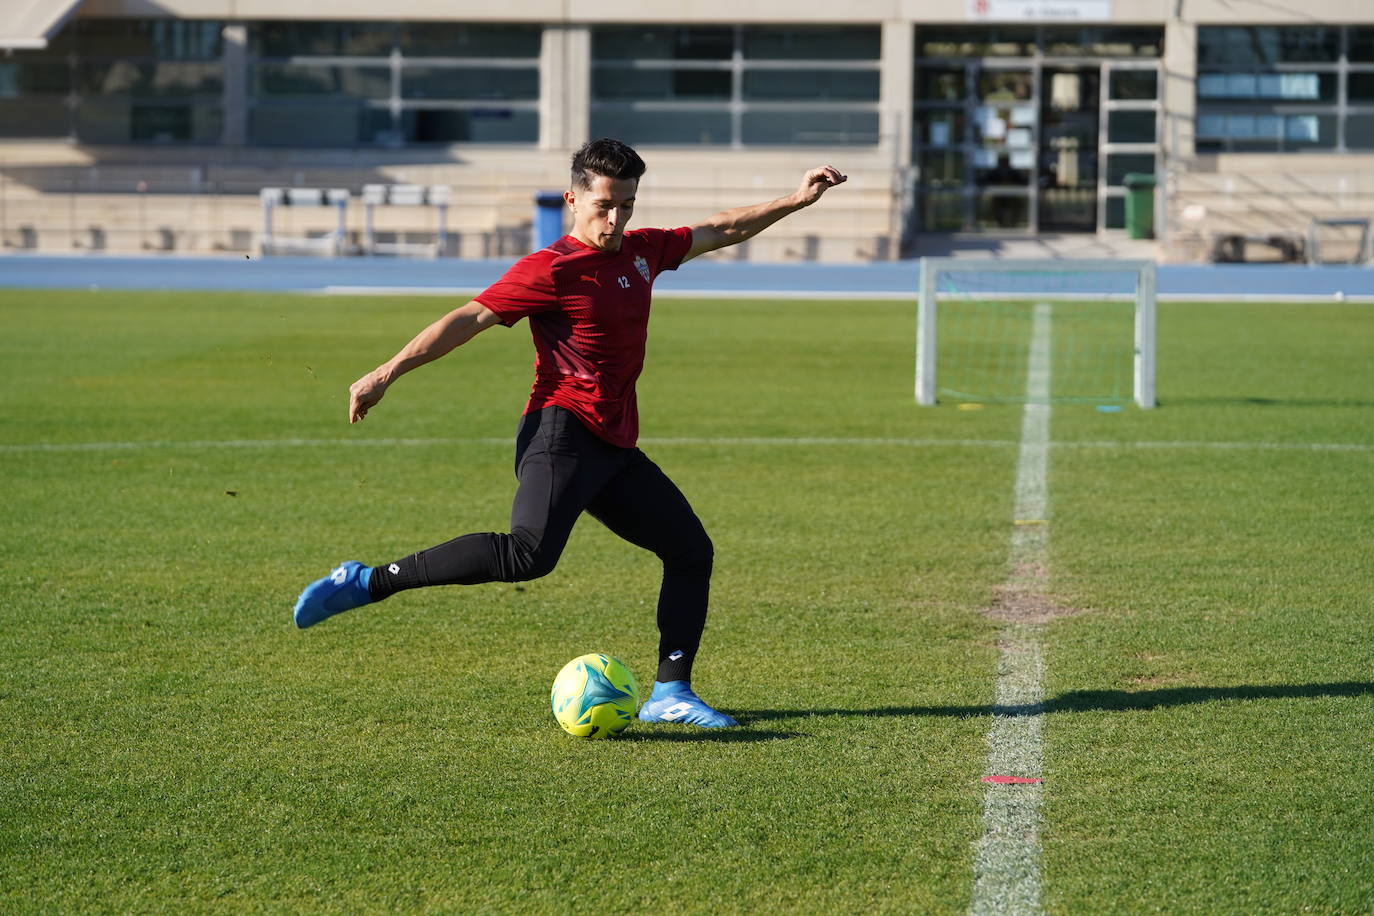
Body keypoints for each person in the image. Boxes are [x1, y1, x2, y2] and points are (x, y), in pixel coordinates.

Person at [293, 138, 846, 728]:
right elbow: (468, 319)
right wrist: (386, 372)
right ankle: (368, 580)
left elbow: (721, 229)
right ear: (572, 199)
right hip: (560, 430)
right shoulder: (550, 268)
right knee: (529, 554)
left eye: (627, 204)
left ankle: (670, 693)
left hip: (613, 442)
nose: (616, 218)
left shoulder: (643, 251)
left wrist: (796, 199)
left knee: (690, 551)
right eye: (605, 204)